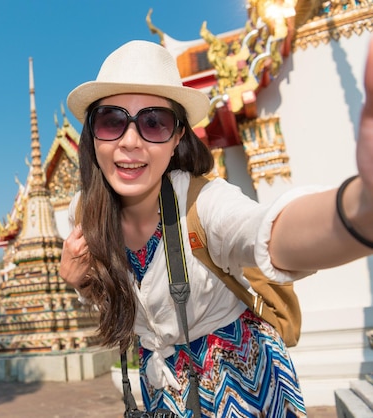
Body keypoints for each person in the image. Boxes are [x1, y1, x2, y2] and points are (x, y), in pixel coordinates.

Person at [59, 39, 373, 417]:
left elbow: (267, 234)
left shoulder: (202, 202)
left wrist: (358, 209)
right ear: (93, 135)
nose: (130, 142)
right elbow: (118, 302)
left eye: (153, 123)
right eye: (111, 120)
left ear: (176, 139)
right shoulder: (85, 214)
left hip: (242, 378)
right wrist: (80, 281)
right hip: (161, 386)